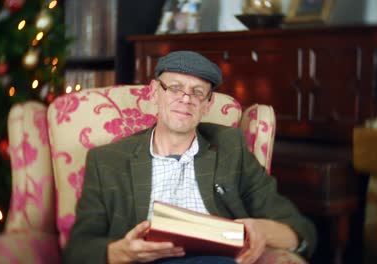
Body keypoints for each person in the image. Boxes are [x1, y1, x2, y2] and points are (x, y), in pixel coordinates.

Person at [63, 51, 317, 264]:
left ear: (207, 104)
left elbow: (300, 229)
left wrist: (263, 231)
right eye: (175, 88)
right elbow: (78, 249)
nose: (186, 99)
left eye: (197, 92)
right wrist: (121, 251)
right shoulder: (108, 160)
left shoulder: (231, 149)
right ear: (154, 92)